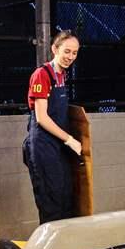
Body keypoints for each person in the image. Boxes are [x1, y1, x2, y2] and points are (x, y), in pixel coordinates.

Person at [23, 30, 83, 224]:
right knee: (51, 203)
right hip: (42, 145)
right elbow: (42, 118)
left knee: (65, 196)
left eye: (74, 53)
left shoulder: (62, 75)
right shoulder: (42, 74)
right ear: (54, 49)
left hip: (57, 146)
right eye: (67, 51)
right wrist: (70, 139)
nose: (70, 57)